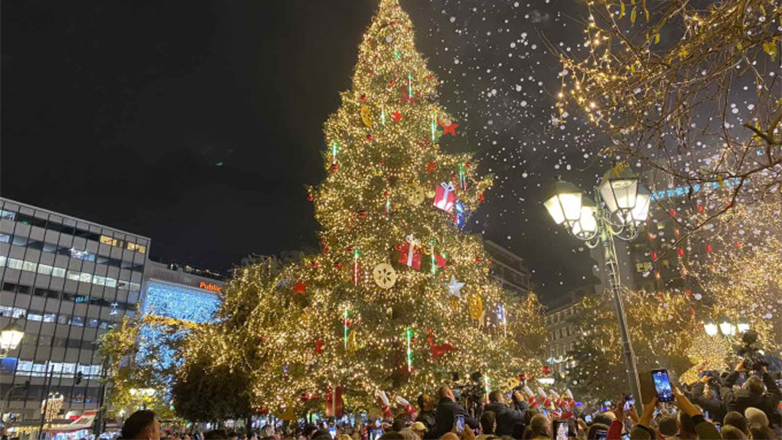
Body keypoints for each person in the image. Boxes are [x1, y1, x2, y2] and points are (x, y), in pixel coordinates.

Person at [720, 360, 782, 428]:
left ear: (744, 387)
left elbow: (724, 386)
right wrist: (765, 373)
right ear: (762, 391)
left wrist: (736, 371)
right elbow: (775, 392)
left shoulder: (732, 401)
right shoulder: (767, 403)